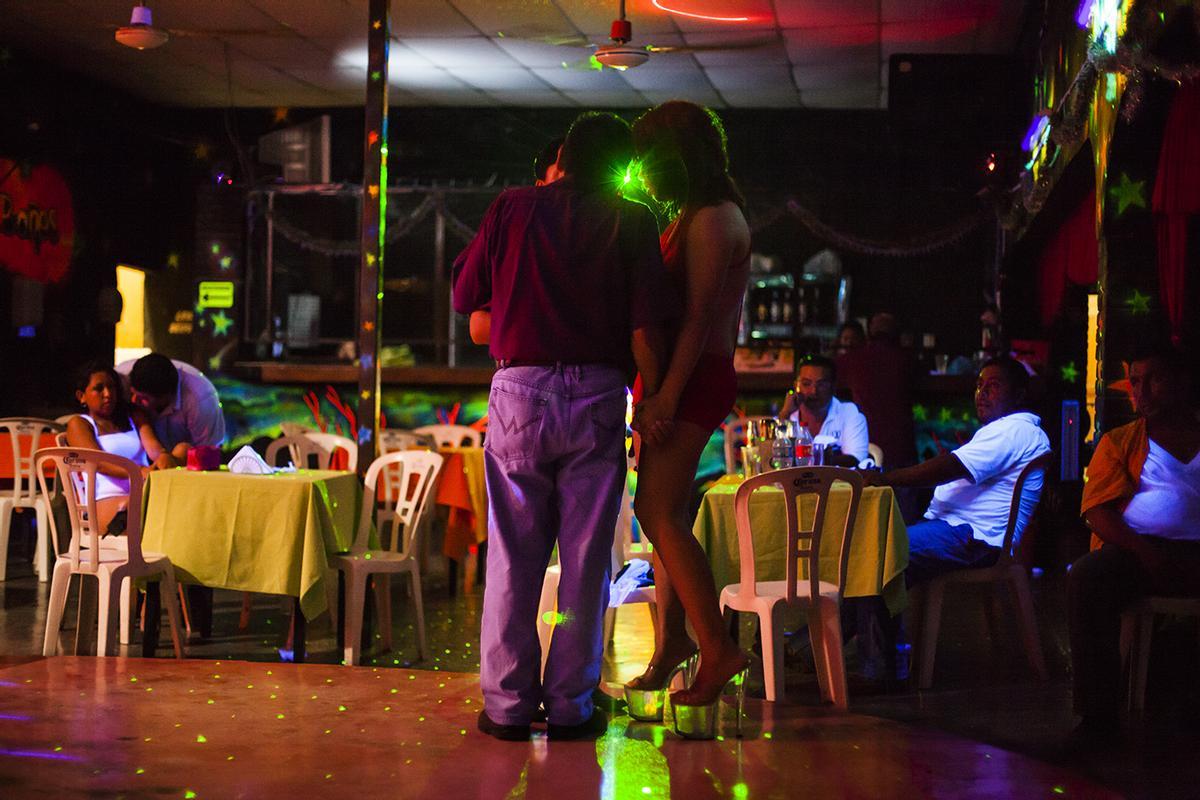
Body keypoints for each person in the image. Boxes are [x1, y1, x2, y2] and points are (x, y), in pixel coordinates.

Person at [453, 111, 675, 741]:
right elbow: (644, 331)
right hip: (601, 392)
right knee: (583, 561)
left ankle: (506, 708)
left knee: (512, 556)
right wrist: (653, 398)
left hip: (518, 390)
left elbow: (467, 296)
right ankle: (573, 707)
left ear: (566, 157)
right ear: (615, 168)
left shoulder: (511, 207)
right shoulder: (632, 219)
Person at [624, 100, 751, 733]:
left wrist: (667, 396)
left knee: (657, 512)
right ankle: (674, 642)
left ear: (679, 156)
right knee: (662, 515)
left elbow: (700, 319)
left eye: (650, 159)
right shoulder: (696, 215)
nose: (643, 173)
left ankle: (716, 646)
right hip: (682, 377)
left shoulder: (713, 219)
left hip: (694, 378)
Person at [1067, 346, 1200, 745]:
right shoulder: (1121, 441)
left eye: (1152, 379)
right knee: (1087, 578)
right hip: (1139, 551)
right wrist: (1145, 552)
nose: (1139, 391)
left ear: (1181, 383)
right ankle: (1098, 715)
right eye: (1135, 381)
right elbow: (1097, 511)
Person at [866, 356, 1050, 585]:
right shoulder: (1009, 430)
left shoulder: (1015, 429)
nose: (982, 393)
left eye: (993, 386)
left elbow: (951, 468)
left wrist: (883, 478)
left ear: (1019, 395)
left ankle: (854, 621)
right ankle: (879, 620)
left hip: (974, 539)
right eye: (979, 385)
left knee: (874, 552)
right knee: (872, 552)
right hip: (959, 532)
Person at [466, 136, 567, 348]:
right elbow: (479, 327)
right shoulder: (517, 240)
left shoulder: (609, 232)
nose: (572, 184)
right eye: (563, 173)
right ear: (540, 186)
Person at [65, 362, 178, 534]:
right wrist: (138, 472)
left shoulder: (134, 416)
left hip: (144, 491)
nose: (108, 394)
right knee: (151, 511)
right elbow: (99, 462)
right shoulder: (79, 423)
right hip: (106, 501)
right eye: (99, 389)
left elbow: (153, 447)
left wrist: (163, 456)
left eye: (111, 387)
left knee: (183, 450)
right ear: (82, 396)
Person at [836, 311, 918, 473]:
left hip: (867, 441)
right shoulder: (906, 359)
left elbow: (830, 376)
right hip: (902, 442)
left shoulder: (854, 358)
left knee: (869, 493)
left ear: (870, 331)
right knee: (904, 492)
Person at [115, 352, 225, 452]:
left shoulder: (200, 401)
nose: (134, 400)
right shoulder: (117, 381)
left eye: (143, 398)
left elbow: (208, 453)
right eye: (132, 393)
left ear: (166, 397)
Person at [779, 354, 869, 468]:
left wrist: (811, 458)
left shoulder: (849, 413)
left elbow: (856, 460)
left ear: (833, 387)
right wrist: (785, 413)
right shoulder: (789, 416)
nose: (813, 391)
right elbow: (775, 458)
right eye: (806, 384)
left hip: (839, 483)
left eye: (821, 384)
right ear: (796, 386)